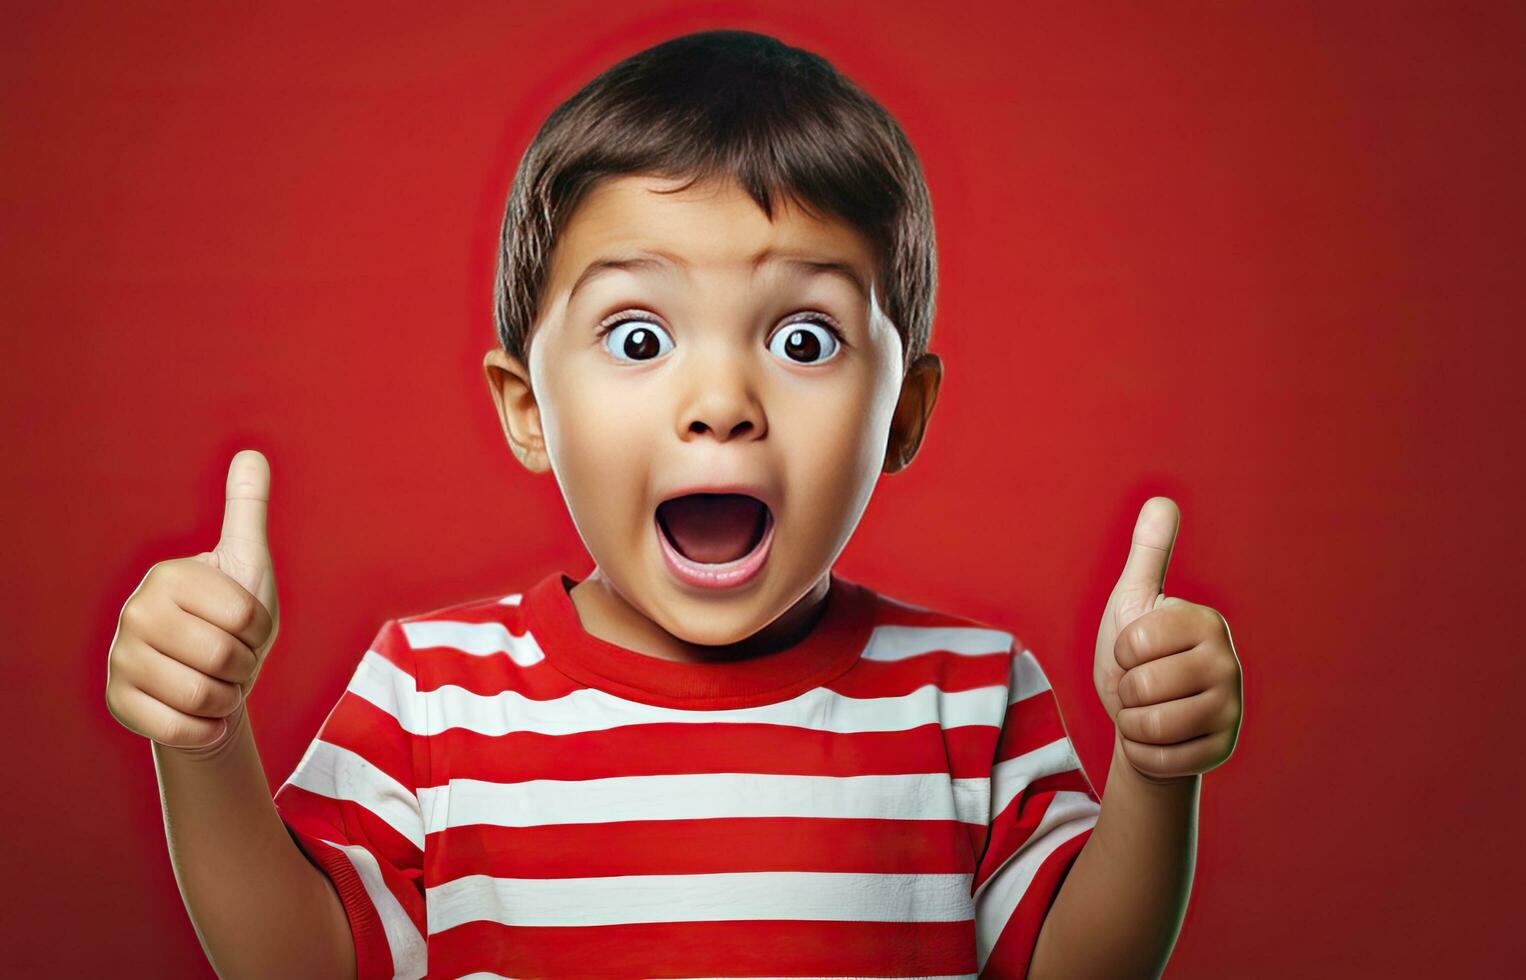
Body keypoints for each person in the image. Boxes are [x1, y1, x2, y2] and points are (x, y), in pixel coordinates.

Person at [103, 29, 1243, 979]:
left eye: (803, 337)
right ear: (525, 408)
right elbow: (298, 963)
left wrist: (1153, 770)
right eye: (638, 336)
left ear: (903, 411)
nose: (719, 401)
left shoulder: (970, 697)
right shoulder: (432, 695)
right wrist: (201, 742)